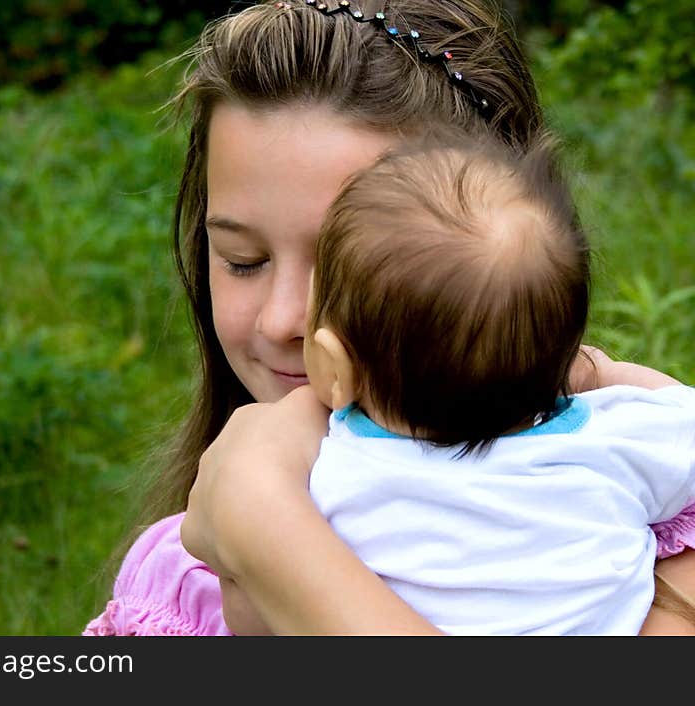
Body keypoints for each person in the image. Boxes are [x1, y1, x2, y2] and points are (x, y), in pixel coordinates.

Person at [83, 0, 695, 636]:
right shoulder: (177, 589)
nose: (284, 319)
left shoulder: (666, 549)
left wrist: (264, 526)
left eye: (344, 269)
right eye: (243, 260)